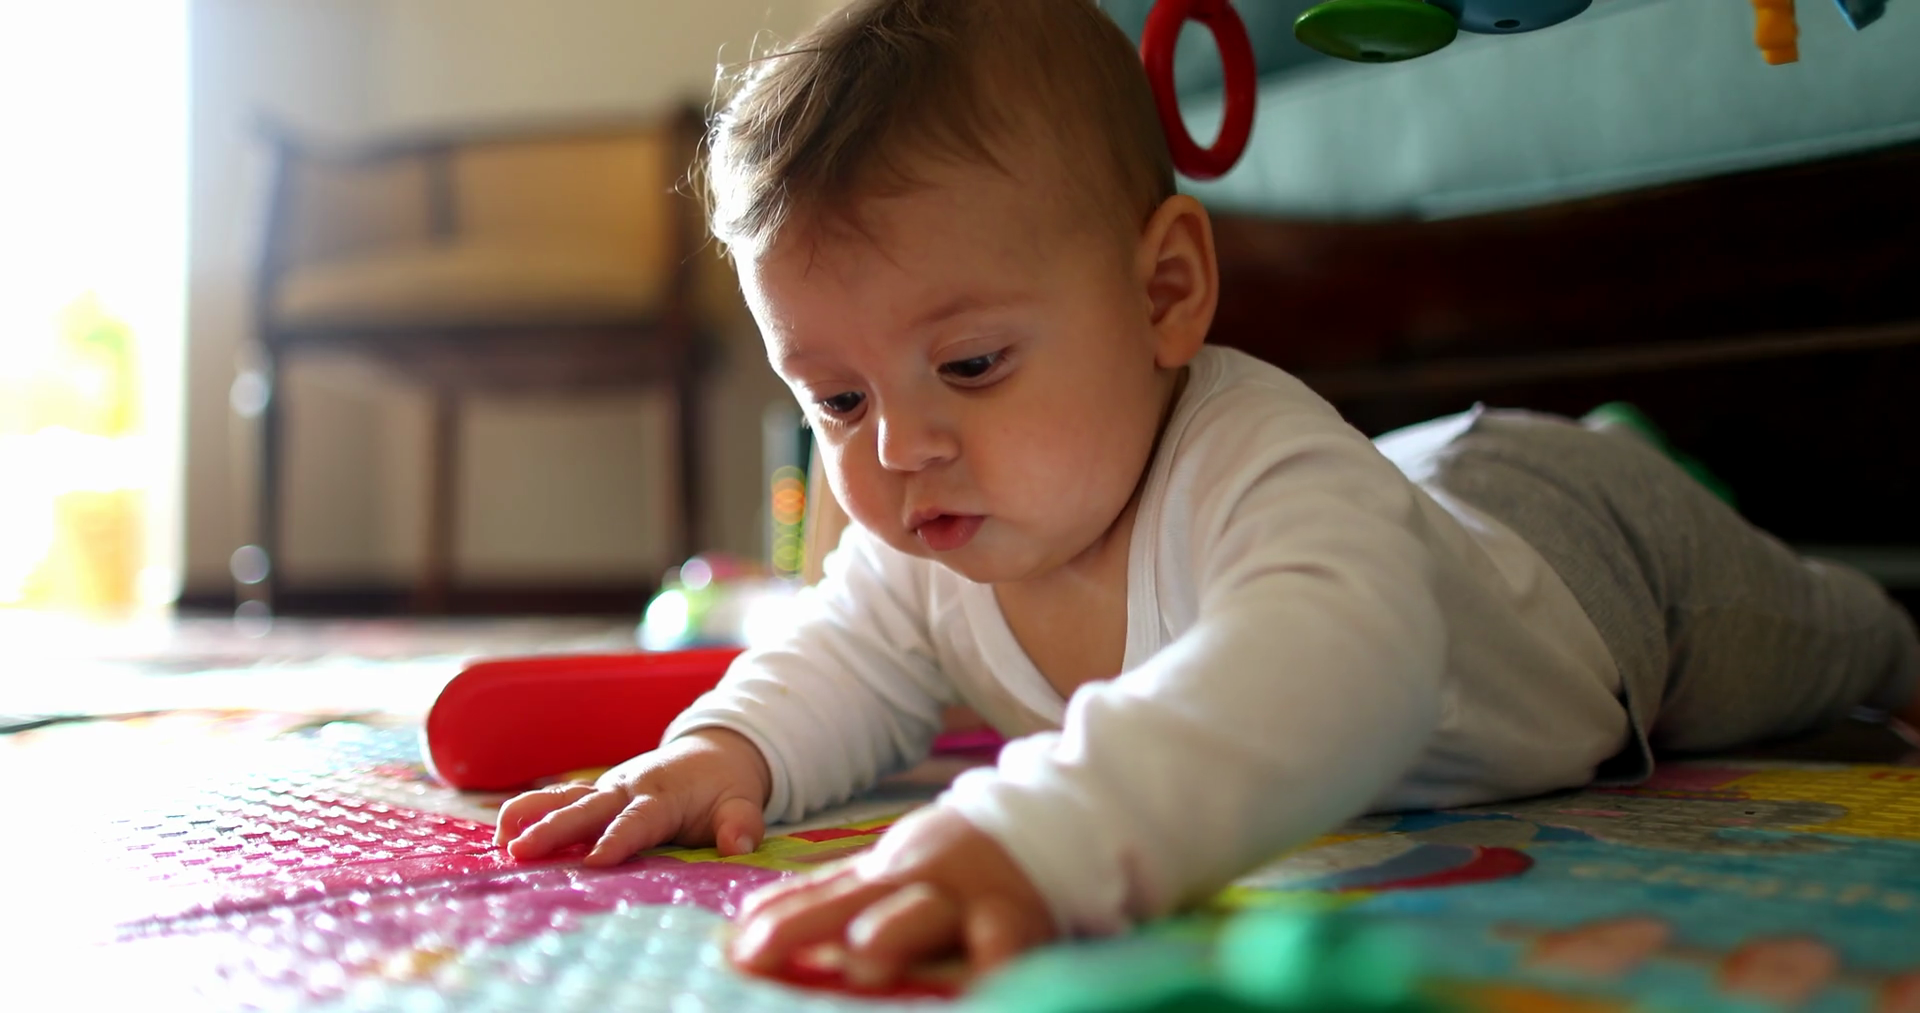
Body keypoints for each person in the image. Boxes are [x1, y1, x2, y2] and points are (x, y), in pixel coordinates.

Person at [494, 0, 1920, 988]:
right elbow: (841, 659)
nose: (899, 450)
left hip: (1587, 559)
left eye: (973, 364)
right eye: (840, 401)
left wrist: (1045, 831)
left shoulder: (1248, 460)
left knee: (1819, 641)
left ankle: (1763, 537)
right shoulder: (930, 532)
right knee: (1366, 509)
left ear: (1166, 292)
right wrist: (724, 750)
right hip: (1402, 497)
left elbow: (1331, 673)